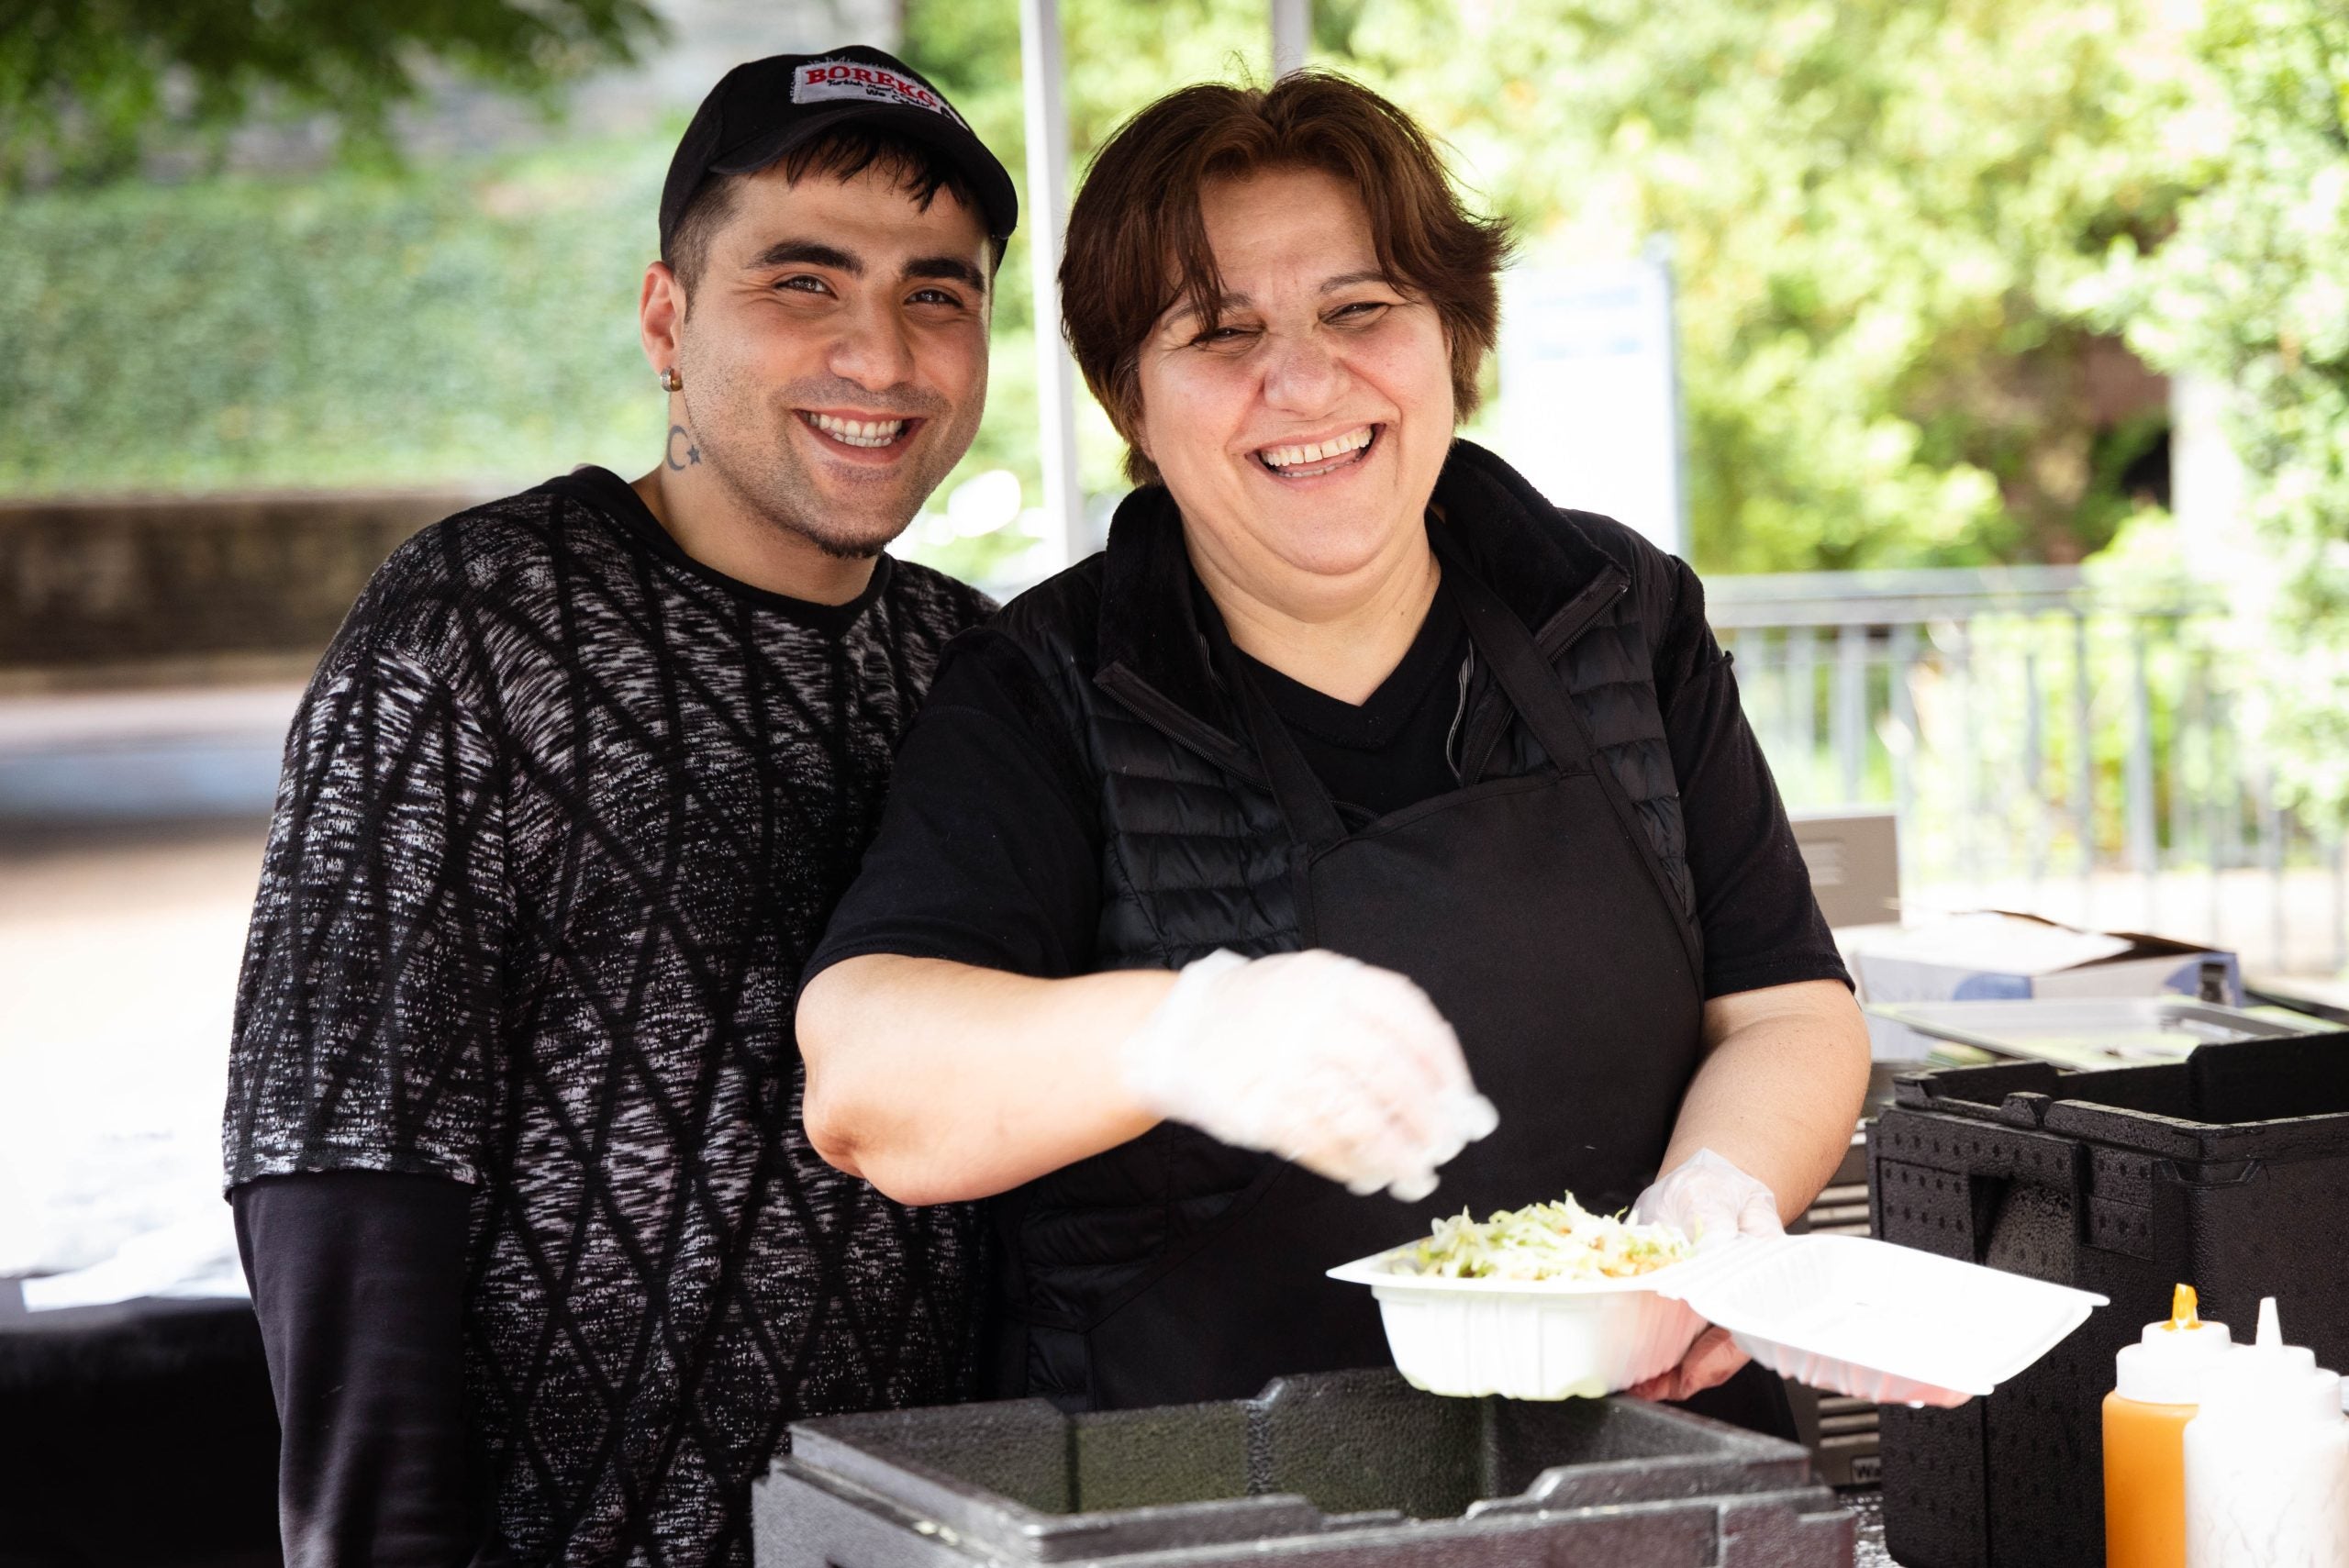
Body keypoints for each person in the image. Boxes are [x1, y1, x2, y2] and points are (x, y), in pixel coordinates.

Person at [795, 72, 1872, 1425]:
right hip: (1223, 1506)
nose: (1303, 381)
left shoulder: (1613, 611)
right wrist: (1183, 1033)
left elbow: (1788, 1007)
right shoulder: (1045, 690)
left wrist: (1717, 1201)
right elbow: (866, 1081)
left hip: (1656, 1465)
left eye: (1361, 309)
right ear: (1131, 397)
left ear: (1452, 337)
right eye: (1219, 331)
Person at [221, 46, 1015, 1568]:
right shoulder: (474, 626)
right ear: (668, 318)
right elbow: (338, 1162)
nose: (883, 354)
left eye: (938, 292)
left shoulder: (975, 666)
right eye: (803, 281)